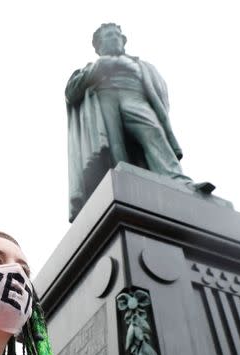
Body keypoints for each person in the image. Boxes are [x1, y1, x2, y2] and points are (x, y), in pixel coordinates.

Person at [65, 23, 212, 222]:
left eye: (117, 35)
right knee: (114, 145)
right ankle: (123, 187)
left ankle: (179, 182)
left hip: (134, 97)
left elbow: (158, 92)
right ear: (98, 46)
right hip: (105, 97)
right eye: (108, 36)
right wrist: (100, 68)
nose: (114, 39)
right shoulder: (90, 68)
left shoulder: (141, 65)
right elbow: (71, 92)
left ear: (124, 40)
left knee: (154, 134)